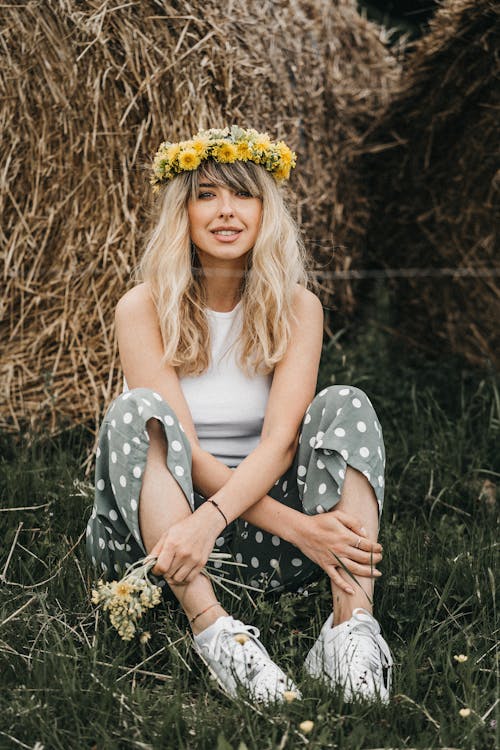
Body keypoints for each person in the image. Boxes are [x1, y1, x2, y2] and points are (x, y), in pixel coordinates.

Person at [86, 125, 393, 705]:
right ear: (184, 211)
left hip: (264, 543)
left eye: (243, 195)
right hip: (164, 539)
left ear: (265, 210)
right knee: (139, 412)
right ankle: (216, 633)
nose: (226, 211)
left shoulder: (298, 307)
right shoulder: (143, 306)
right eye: (206, 195)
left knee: (347, 402)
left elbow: (280, 444)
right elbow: (185, 452)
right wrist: (290, 528)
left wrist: (244, 523)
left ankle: (349, 630)